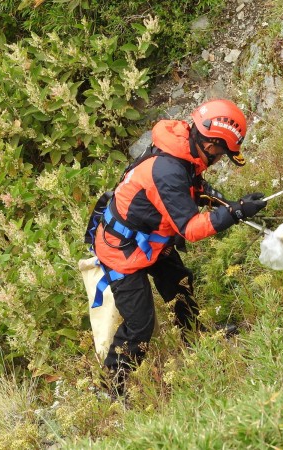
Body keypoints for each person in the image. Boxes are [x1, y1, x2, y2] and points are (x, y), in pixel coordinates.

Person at [92, 99, 266, 395]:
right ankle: (109, 389)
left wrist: (228, 203)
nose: (221, 158)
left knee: (179, 283)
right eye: (223, 153)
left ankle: (195, 338)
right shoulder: (169, 170)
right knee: (140, 326)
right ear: (211, 145)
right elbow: (191, 229)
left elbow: (193, 189)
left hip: (151, 238)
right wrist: (235, 213)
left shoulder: (182, 147)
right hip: (121, 252)